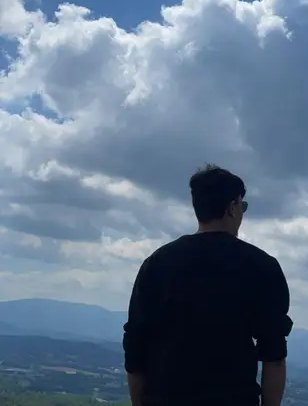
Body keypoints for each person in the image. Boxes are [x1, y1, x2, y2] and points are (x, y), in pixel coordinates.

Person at [123, 164, 293, 406]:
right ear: (232, 208)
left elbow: (135, 348)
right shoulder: (262, 267)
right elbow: (274, 356)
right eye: (243, 206)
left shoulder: (157, 263)